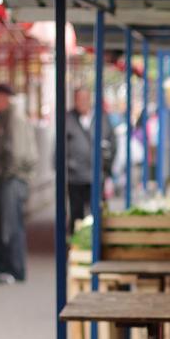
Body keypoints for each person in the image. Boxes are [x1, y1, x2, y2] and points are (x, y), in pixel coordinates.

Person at [0, 83, 36, 284]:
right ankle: (3, 267)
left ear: (3, 98)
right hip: (5, 180)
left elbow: (17, 153)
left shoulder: (14, 120)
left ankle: (14, 270)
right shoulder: (3, 119)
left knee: (10, 225)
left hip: (11, 180)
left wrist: (4, 174)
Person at [65, 88, 116, 234]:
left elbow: (112, 143)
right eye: (79, 99)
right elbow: (59, 147)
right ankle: (76, 243)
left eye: (85, 98)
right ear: (75, 100)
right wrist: (68, 166)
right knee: (76, 213)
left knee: (97, 211)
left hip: (96, 175)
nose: (82, 102)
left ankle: (95, 241)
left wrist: (106, 167)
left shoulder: (101, 118)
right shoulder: (68, 119)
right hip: (75, 177)